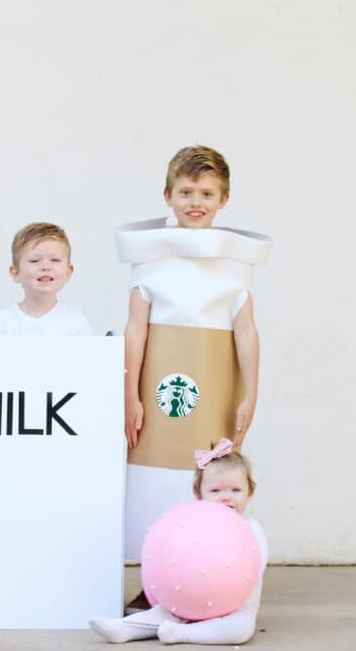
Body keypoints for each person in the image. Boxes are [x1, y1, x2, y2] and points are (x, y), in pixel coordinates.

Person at [115, 146, 271, 594]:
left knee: (206, 473)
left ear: (224, 199)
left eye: (206, 192)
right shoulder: (149, 258)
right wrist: (130, 395)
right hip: (156, 393)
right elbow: (135, 331)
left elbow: (246, 332)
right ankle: (156, 582)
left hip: (213, 387)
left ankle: (207, 576)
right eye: (185, 191)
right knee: (152, 479)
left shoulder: (237, 264)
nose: (195, 201)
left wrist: (250, 393)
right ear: (167, 195)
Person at [89, 444, 268, 644]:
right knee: (165, 612)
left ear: (249, 492)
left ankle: (183, 634)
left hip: (234, 607)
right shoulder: (191, 525)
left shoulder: (251, 530)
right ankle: (125, 628)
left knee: (239, 630)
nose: (227, 497)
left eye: (236, 490)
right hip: (192, 598)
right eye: (216, 490)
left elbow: (251, 573)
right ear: (199, 494)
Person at [0, 222, 92, 335]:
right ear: (15, 272)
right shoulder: (1, 323)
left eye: (55, 260)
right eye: (34, 260)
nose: (46, 267)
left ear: (68, 272)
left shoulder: (76, 321)